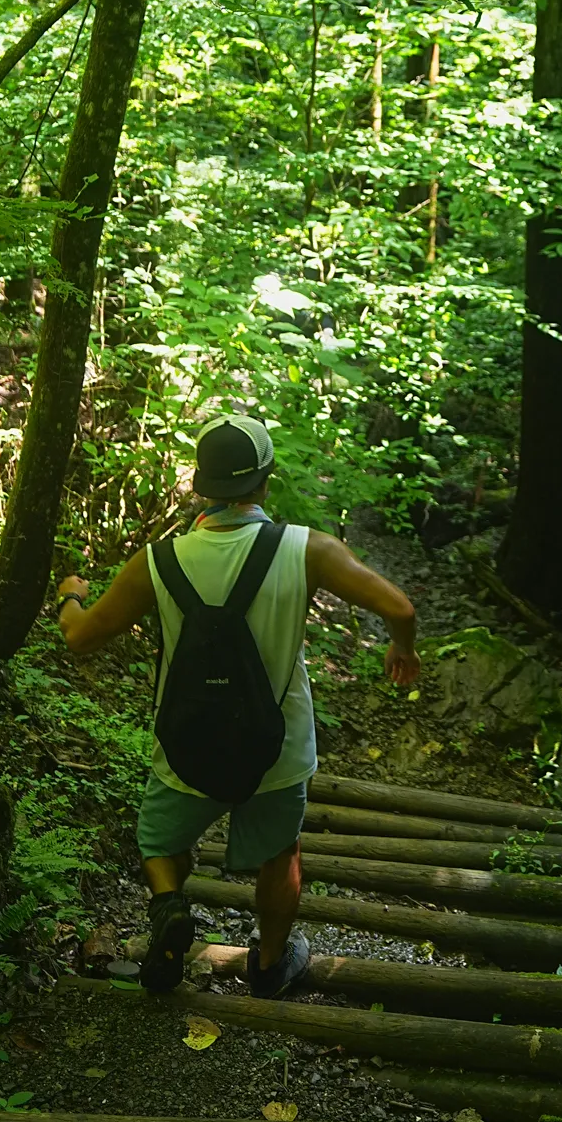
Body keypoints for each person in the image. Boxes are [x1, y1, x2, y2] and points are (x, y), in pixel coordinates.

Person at [55, 412, 419, 998]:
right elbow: (400, 608)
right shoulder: (307, 550)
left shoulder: (159, 560)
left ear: (200, 486)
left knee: (158, 842)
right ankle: (271, 965)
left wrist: (70, 597)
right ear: (265, 482)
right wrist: (400, 649)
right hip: (276, 746)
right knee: (281, 853)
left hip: (187, 742)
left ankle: (170, 906)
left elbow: (81, 637)